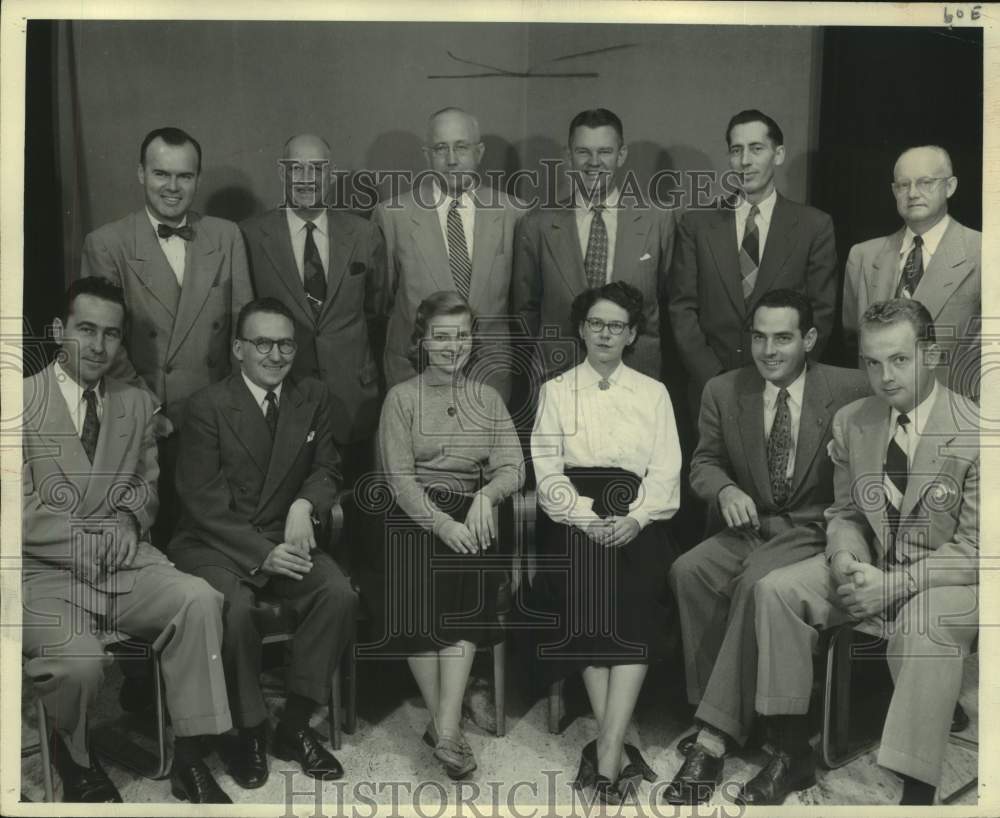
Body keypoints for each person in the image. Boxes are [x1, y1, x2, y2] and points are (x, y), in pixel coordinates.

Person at [743, 298, 978, 805]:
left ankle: (917, 789)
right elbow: (846, 512)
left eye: (899, 359)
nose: (884, 376)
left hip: (951, 582)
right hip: (875, 567)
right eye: (872, 362)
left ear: (932, 356)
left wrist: (894, 585)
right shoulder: (854, 421)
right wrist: (847, 560)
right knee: (776, 589)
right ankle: (789, 751)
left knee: (927, 625)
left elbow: (979, 549)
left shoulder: (978, 428)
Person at [21, 278, 233, 803]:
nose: (98, 346)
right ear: (57, 331)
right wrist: (81, 539)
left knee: (200, 600)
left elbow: (145, 484)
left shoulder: (136, 403)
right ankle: (75, 756)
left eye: (111, 334)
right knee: (78, 661)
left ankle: (189, 755)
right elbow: (14, 508)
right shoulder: (17, 401)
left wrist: (131, 521)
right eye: (85, 329)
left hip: (124, 561)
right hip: (43, 572)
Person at [663, 289, 869, 805]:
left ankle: (712, 735)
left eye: (783, 337)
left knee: (758, 585)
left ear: (810, 339)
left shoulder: (851, 389)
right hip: (753, 525)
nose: (769, 350)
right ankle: (735, 713)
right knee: (689, 570)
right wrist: (725, 489)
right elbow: (703, 463)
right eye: (759, 336)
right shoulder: (724, 390)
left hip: (812, 529)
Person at [168, 298, 357, 788]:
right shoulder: (206, 406)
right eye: (263, 343)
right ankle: (248, 730)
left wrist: (304, 505)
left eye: (286, 343)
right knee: (231, 608)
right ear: (238, 349)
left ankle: (293, 727)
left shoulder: (311, 395)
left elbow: (327, 468)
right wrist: (260, 552)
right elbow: (202, 502)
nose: (275, 355)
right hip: (216, 542)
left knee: (337, 594)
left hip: (284, 534)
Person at [359, 290, 524, 779]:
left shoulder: (487, 398)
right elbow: (399, 480)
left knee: (466, 577)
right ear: (423, 342)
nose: (453, 346)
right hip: (412, 514)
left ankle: (445, 728)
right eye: (442, 337)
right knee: (414, 591)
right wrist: (443, 523)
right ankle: (448, 727)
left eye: (463, 337)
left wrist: (485, 497)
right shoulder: (401, 398)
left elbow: (513, 467)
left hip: (470, 508)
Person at [529, 281, 682, 804]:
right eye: (596, 323)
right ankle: (615, 752)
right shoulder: (555, 390)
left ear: (633, 333)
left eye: (616, 325)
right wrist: (586, 518)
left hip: (639, 514)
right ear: (581, 328)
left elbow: (665, 473)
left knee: (636, 595)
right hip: (573, 515)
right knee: (585, 593)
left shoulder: (653, 393)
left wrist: (636, 519)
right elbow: (547, 471)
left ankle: (607, 750)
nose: (605, 333)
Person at [81, 126, 252, 547]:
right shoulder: (108, 243)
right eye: (161, 174)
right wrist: (151, 410)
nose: (172, 187)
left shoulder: (226, 235)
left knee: (216, 536)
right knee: (155, 535)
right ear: (141, 173)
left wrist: (235, 408)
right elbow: (104, 342)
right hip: (148, 418)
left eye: (185, 176)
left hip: (215, 417)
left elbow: (243, 328)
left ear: (197, 178)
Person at [668, 109, 836, 418]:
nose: (745, 160)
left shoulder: (814, 226)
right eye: (736, 150)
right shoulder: (696, 224)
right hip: (711, 391)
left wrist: (782, 375)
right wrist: (714, 378)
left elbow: (821, 313)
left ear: (778, 153)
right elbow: (682, 309)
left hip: (784, 389)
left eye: (756, 148)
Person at [241, 133, 387, 486]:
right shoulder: (249, 235)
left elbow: (377, 310)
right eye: (296, 168)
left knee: (357, 511)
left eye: (317, 169)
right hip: (283, 396)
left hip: (354, 401)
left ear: (332, 173)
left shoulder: (364, 234)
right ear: (281, 171)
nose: (307, 178)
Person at [513, 108, 676, 382]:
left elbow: (670, 307)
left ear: (621, 155)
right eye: (583, 152)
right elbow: (525, 310)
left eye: (605, 152)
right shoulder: (537, 224)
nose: (594, 162)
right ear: (568, 156)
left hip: (637, 375)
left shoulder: (657, 221)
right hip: (560, 375)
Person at [376, 107, 524, 402]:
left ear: (479, 152)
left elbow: (522, 303)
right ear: (426, 153)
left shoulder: (514, 213)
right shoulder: (393, 215)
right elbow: (380, 304)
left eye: (462, 147)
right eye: (441, 148)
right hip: (415, 376)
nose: (452, 159)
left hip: (490, 378)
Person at [842, 145, 980, 400]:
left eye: (926, 182)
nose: (913, 193)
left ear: (950, 186)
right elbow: (854, 340)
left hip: (954, 414)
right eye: (903, 185)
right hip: (879, 412)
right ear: (894, 191)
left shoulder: (985, 252)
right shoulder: (863, 257)